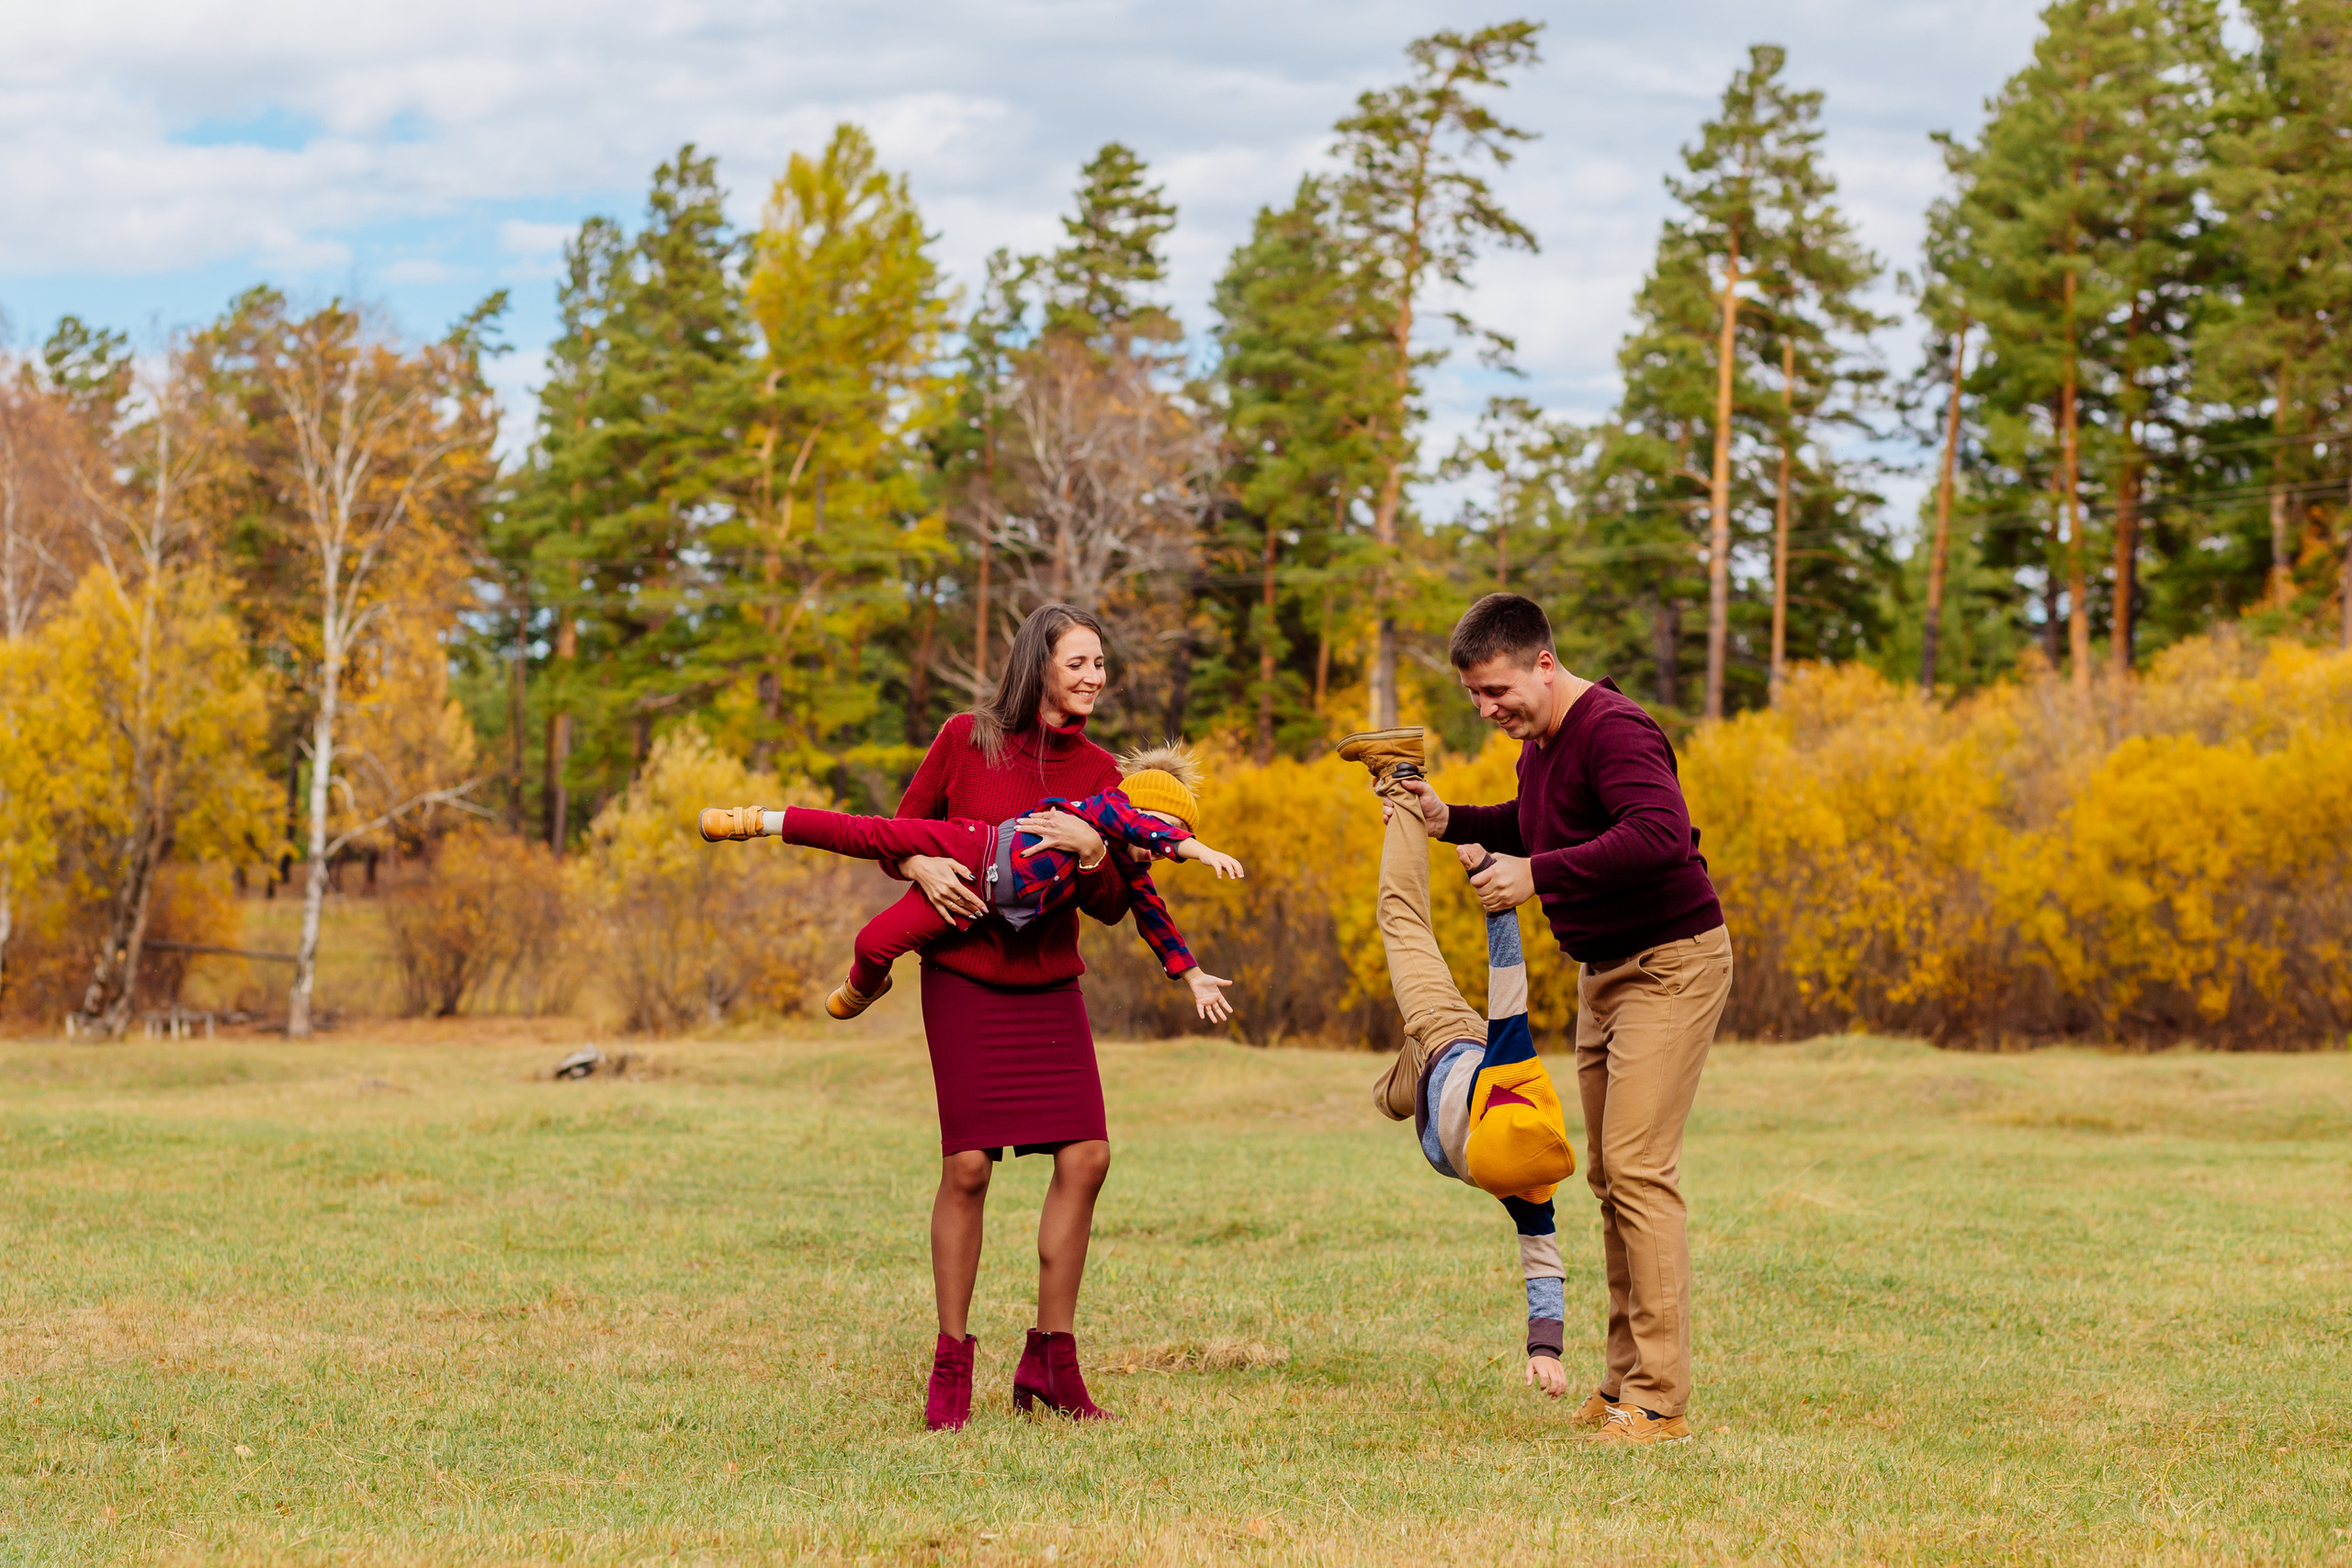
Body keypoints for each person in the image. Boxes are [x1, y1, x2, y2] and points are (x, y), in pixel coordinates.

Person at [1342, 592, 1734, 1448]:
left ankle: (1661, 1399)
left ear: (1543, 663)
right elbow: (1535, 822)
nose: (1488, 711)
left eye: (1495, 691)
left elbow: (1660, 834)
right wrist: (1450, 822)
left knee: (1638, 1168)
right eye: (1474, 697)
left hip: (1671, 961)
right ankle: (1624, 1380)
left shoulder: (1615, 729)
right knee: (1605, 1176)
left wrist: (1538, 876)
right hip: (1607, 974)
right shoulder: (1545, 745)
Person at [846, 604, 1172, 1431]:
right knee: (968, 1167)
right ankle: (952, 1360)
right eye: (1080, 663)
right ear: (1039, 665)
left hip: (1048, 979)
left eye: (1102, 664)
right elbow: (896, 832)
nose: (1095, 678)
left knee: (1088, 1155)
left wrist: (1098, 852)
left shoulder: (1101, 771)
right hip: (962, 973)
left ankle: (1051, 1359)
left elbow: (1108, 906)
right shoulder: (965, 739)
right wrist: (922, 865)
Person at [1338, 731, 1579, 1395]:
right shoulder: (1513, 1071)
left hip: (1430, 1086)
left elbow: (1544, 1260)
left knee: (1392, 1098)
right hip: (1449, 1033)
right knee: (1403, 919)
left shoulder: (1529, 1178)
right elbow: (1509, 974)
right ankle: (1399, 773)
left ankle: (1406, 818)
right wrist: (1486, 876)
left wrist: (1546, 1348)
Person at [696, 746, 1244, 1023]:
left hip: (972, 901)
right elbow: (1143, 827)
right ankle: (758, 820)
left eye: (1174, 840)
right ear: (1144, 808)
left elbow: (1155, 920)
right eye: (1169, 831)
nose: (1162, 847)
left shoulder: (1128, 867)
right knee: (867, 834)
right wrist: (1201, 850)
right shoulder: (1109, 807)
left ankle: (866, 985)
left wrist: (1191, 974)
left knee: (871, 944)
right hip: (972, 847)